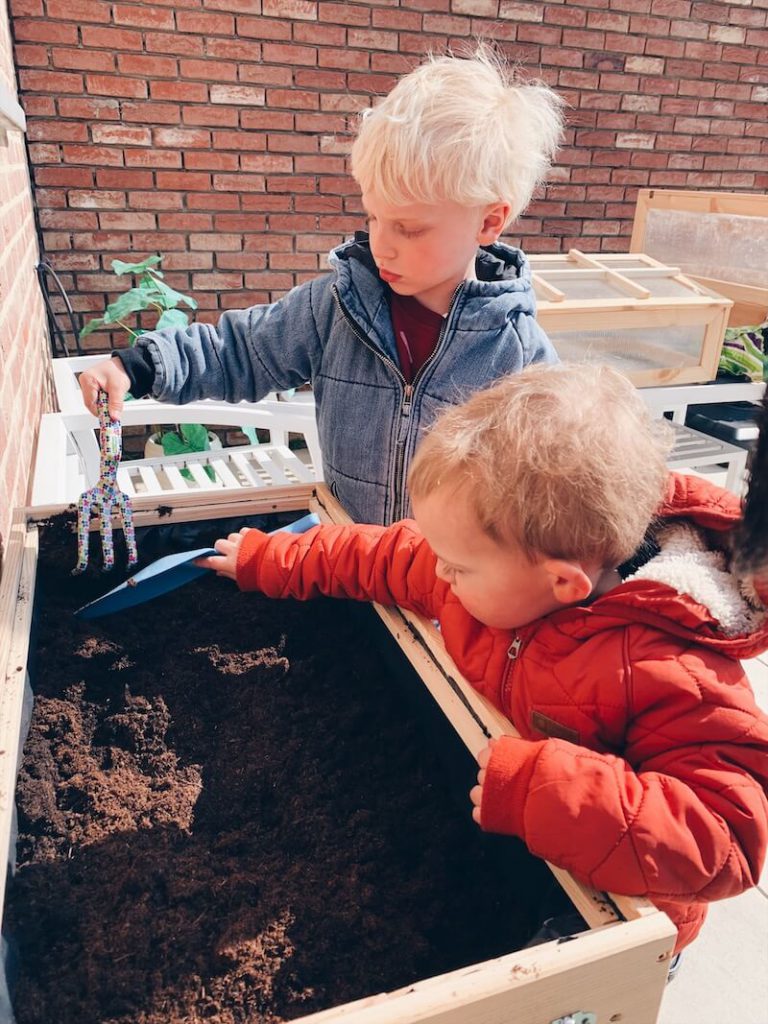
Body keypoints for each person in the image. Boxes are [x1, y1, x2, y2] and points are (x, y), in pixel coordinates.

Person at [198, 362, 768, 956]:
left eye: (459, 564)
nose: (439, 568)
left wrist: (546, 791)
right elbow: (384, 554)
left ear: (563, 584)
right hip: (512, 809)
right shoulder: (486, 571)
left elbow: (728, 838)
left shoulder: (674, 670)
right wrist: (271, 560)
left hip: (627, 906)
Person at [77, 45, 565, 525]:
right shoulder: (335, 308)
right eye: (374, 216)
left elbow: (552, 487)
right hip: (345, 560)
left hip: (446, 588)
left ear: (489, 222)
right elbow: (239, 350)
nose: (382, 245)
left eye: (410, 228)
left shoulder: (519, 357)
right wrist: (135, 367)